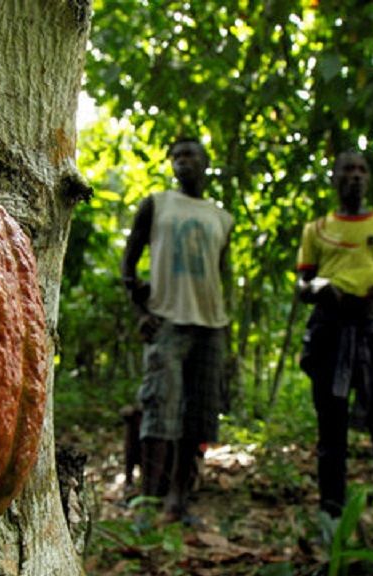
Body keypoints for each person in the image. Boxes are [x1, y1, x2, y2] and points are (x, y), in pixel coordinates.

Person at [296, 150, 373, 543]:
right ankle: (332, 518)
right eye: (347, 169)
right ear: (334, 177)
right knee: (331, 428)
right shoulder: (317, 229)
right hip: (331, 331)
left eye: (362, 170)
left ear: (369, 179)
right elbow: (302, 285)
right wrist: (323, 288)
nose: (355, 177)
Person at [121, 137, 233, 525]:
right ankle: (147, 506)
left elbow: (223, 276)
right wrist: (140, 311)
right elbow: (129, 261)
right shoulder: (156, 204)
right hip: (167, 321)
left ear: (205, 163)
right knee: (159, 409)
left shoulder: (222, 217)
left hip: (210, 328)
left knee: (198, 417)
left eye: (191, 155)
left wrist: (226, 329)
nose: (184, 161)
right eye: (177, 156)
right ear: (171, 164)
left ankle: (178, 502)